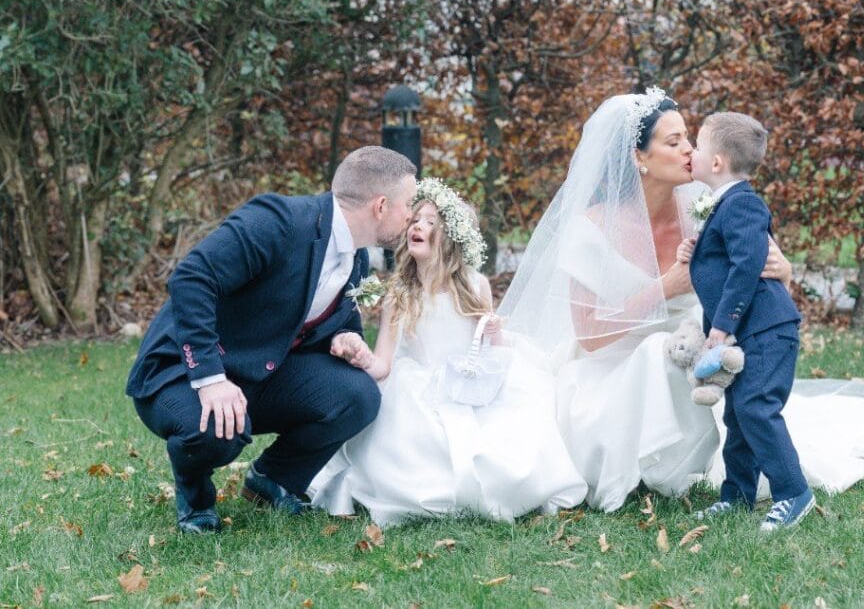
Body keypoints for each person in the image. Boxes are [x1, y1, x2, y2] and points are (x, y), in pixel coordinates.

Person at [497, 87, 864, 514]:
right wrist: (666, 288)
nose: (689, 152)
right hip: (612, 368)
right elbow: (589, 336)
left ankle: (748, 478)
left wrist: (785, 268)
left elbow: (758, 262)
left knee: (722, 388)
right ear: (638, 157)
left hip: (704, 348)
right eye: (675, 141)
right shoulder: (591, 229)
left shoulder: (703, 202)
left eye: (690, 140)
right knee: (654, 358)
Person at [126, 146, 417, 533]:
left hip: (258, 373)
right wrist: (211, 380)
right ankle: (195, 500)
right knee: (216, 429)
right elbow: (192, 278)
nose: (412, 216)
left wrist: (347, 336)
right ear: (381, 206)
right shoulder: (278, 221)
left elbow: (319, 315)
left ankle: (273, 480)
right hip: (179, 372)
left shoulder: (356, 258)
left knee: (358, 395)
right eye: (409, 205)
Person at [307, 179, 587, 526]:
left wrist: (495, 333)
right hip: (420, 388)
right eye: (416, 219)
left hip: (470, 383)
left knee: (508, 439)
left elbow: (489, 352)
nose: (418, 227)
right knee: (419, 437)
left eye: (431, 223)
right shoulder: (400, 294)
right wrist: (361, 355)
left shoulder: (474, 286)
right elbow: (383, 365)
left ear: (451, 238)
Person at [687, 111, 812, 531]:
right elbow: (725, 260)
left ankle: (794, 493)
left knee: (758, 409)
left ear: (717, 162)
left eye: (698, 145)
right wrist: (698, 251)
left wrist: (720, 327)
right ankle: (738, 495)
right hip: (753, 330)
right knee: (738, 415)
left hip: (768, 329)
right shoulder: (725, 205)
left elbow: (746, 267)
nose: (691, 151)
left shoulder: (743, 204)